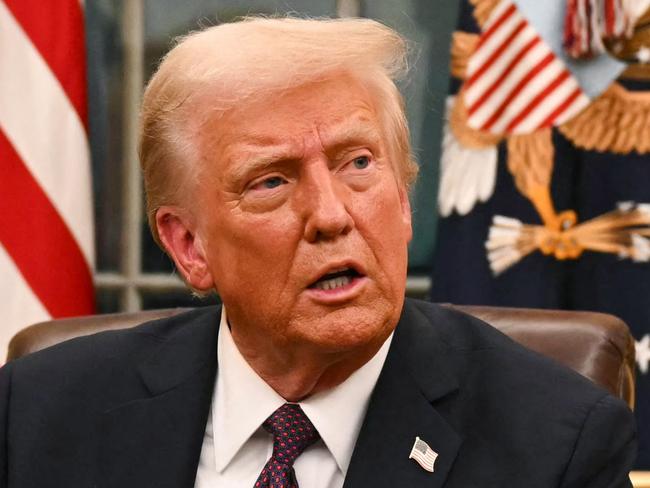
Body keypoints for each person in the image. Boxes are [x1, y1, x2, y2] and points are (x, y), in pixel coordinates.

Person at [0, 16, 636, 488]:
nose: (333, 216)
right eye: (272, 181)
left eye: (358, 163)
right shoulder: (40, 413)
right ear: (189, 245)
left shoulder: (559, 445)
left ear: (406, 199)